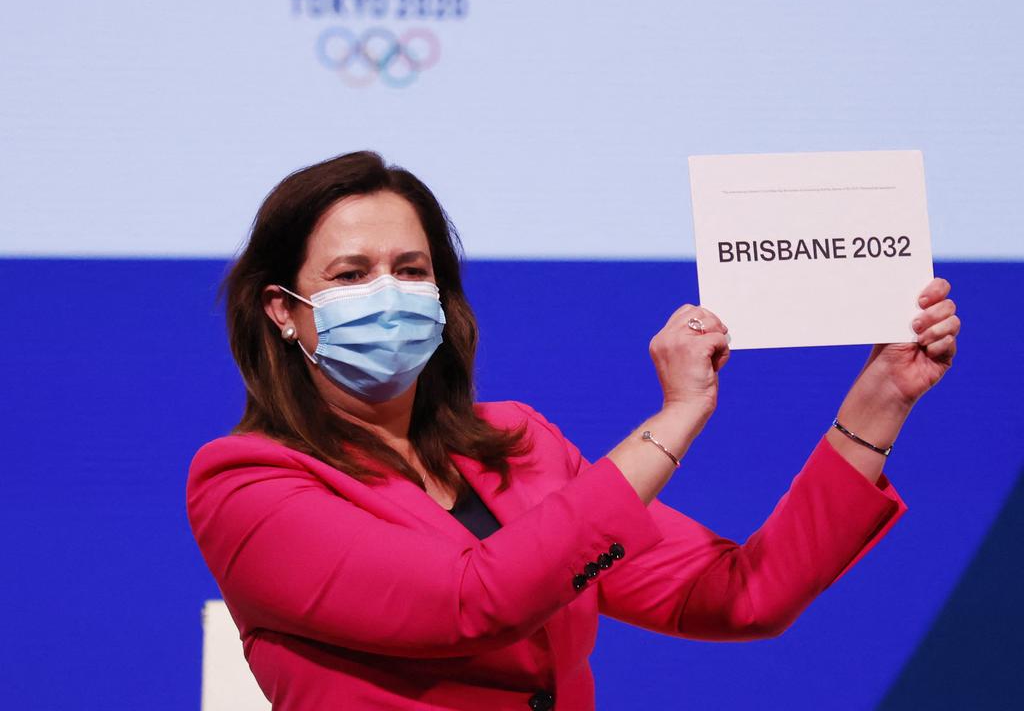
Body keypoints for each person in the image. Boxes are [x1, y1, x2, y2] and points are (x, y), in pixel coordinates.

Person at [186, 151, 959, 711]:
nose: (388, 293)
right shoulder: (247, 484)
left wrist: (880, 401)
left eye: (412, 269)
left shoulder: (515, 442)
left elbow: (734, 596)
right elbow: (470, 602)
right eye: (351, 275)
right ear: (282, 310)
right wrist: (676, 418)